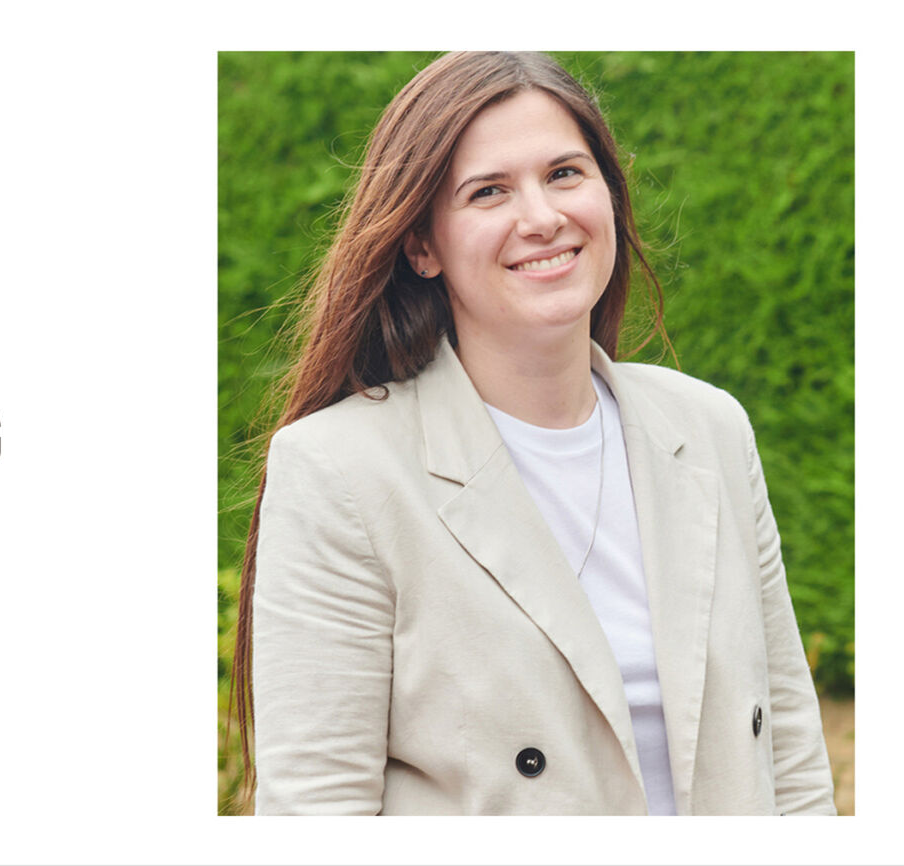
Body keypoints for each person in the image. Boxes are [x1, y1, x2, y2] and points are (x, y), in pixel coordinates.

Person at [230, 51, 835, 816]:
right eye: (489, 191)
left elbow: (793, 761)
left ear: (609, 197)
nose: (542, 216)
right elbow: (317, 810)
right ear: (422, 246)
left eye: (565, 174)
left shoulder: (711, 428)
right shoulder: (341, 471)